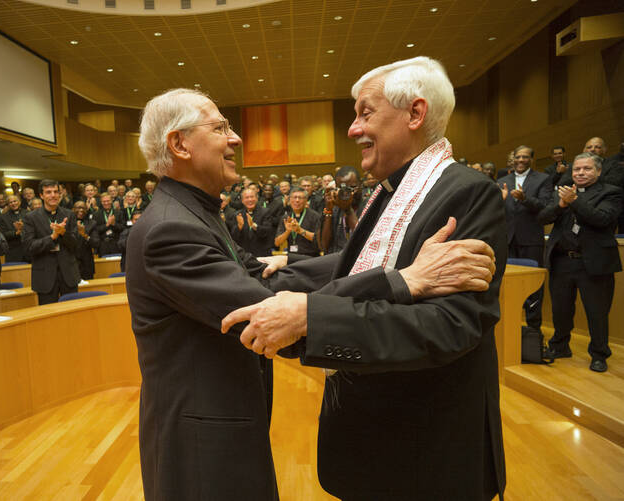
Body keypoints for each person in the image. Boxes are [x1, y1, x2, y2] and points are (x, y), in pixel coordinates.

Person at [127, 86, 497, 501]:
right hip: (202, 440)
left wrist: (386, 268)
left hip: (221, 424)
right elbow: (263, 306)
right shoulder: (169, 228)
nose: (235, 138)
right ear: (179, 144)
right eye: (220, 127)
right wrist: (402, 280)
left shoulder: (193, 211)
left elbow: (263, 277)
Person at [222, 56, 507, 500]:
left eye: (365, 113)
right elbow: (362, 266)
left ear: (415, 113)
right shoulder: (392, 188)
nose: (353, 129)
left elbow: (450, 325)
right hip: (379, 441)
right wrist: (289, 266)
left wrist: (312, 318)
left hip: (423, 450)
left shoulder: (467, 193)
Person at [539, 153, 623, 372]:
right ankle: (560, 346)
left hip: (594, 263)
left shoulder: (611, 192)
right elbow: (543, 217)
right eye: (576, 169)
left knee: (597, 312)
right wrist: (561, 205)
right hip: (562, 261)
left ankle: (599, 354)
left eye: (586, 169)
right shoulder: (564, 191)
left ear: (598, 171)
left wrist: (575, 202)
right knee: (560, 309)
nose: (580, 173)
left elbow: (602, 218)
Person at [497, 145, 552, 329]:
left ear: (531, 159)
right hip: (507, 240)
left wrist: (524, 199)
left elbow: (545, 206)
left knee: (534, 287)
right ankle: (509, 328)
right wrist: (500, 201)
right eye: (518, 157)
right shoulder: (502, 180)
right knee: (506, 285)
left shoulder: (543, 179)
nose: (521, 160)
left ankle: (533, 330)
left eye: (525, 157)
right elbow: (495, 211)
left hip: (531, 240)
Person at [22, 179, 80, 305]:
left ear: (60, 194)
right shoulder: (31, 217)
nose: (53, 195)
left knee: (73, 314)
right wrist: (52, 237)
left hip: (68, 275)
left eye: (55, 192)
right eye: (48, 192)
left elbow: (76, 244)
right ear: (41, 195)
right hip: (45, 277)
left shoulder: (69, 214)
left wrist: (63, 233)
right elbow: (29, 247)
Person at [318, 165, 364, 254]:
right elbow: (323, 246)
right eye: (343, 189)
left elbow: (364, 242)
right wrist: (328, 210)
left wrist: (347, 209)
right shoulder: (335, 208)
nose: (349, 193)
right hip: (336, 259)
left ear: (361, 184)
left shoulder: (370, 205)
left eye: (353, 187)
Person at [274, 187, 320, 257]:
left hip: (310, 256)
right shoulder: (286, 217)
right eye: (294, 197)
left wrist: (300, 230)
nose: (297, 200)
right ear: (290, 200)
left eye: (300, 198)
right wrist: (287, 231)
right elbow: (277, 243)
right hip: (292, 256)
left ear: (306, 200)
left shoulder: (315, 216)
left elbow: (318, 240)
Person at [230, 187, 275, 257]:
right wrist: (239, 226)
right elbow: (234, 237)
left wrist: (254, 226)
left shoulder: (265, 212)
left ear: (257, 198)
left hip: (262, 253)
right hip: (244, 254)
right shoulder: (238, 214)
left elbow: (267, 232)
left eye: (252, 197)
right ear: (242, 200)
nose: (250, 200)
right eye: (247, 197)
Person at [72, 200, 98, 280]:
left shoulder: (92, 223)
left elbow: (96, 243)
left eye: (83, 208)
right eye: (78, 208)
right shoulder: (67, 223)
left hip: (87, 264)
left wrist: (85, 235)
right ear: (73, 209)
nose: (81, 210)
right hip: (71, 263)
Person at [0, 194, 27, 263]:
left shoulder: (28, 213)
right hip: (13, 251)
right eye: (11, 202)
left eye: (15, 201)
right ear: (8, 204)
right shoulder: (3, 217)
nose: (13, 203)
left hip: (28, 249)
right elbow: (2, 234)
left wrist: (24, 228)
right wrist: (16, 232)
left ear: (19, 202)